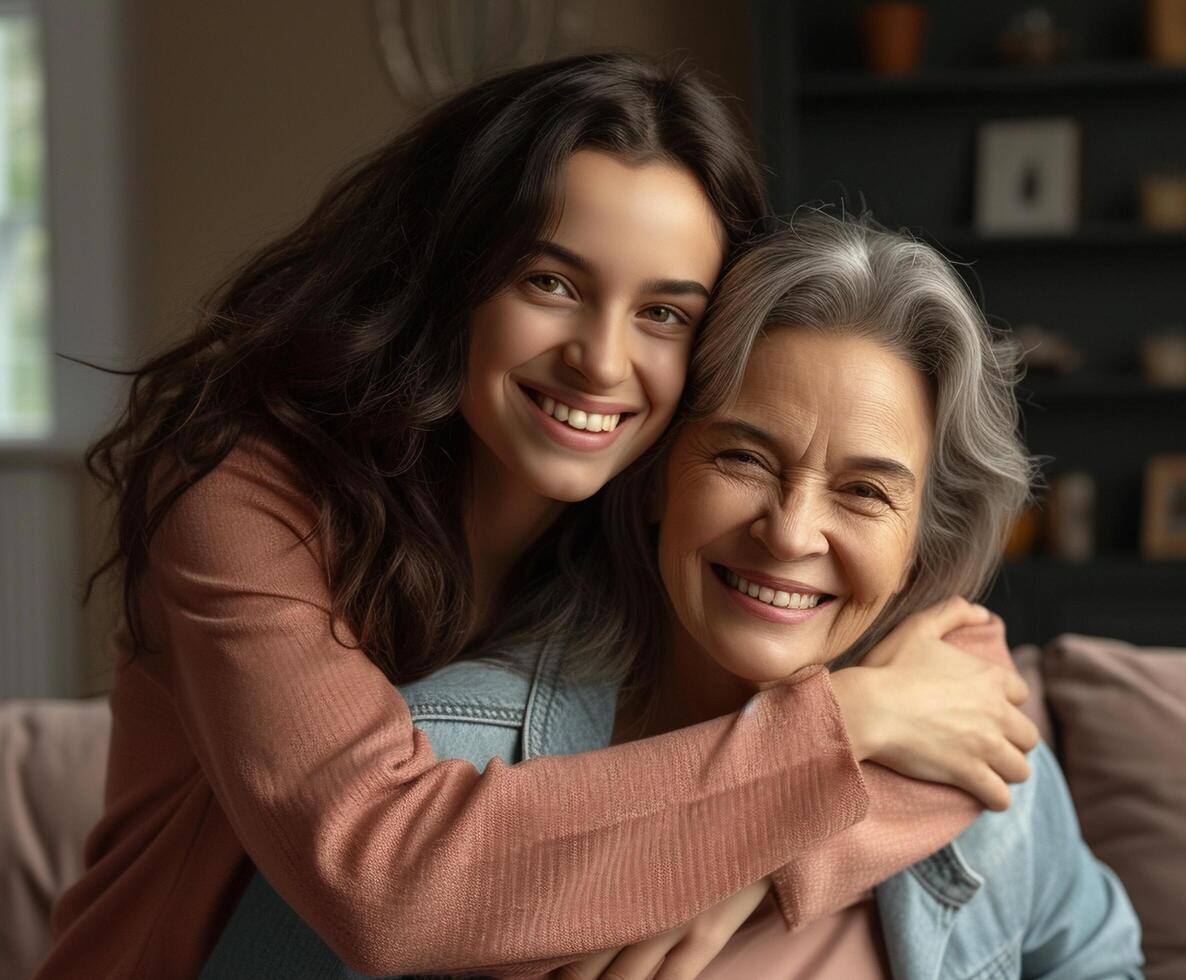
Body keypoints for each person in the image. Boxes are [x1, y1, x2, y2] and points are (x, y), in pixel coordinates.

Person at [39, 55, 1032, 979]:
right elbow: (382, 878)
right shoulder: (247, 496)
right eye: (552, 283)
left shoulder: (628, 488)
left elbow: (965, 682)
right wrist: (842, 727)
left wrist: (759, 864)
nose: (602, 360)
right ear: (452, 276)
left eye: (665, 312)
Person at [205, 212, 1144, 979]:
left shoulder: (969, 758)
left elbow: (1101, 961)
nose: (789, 531)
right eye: (743, 456)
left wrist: (776, 857)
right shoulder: (444, 755)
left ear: (919, 545)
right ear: (656, 476)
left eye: (865, 491)